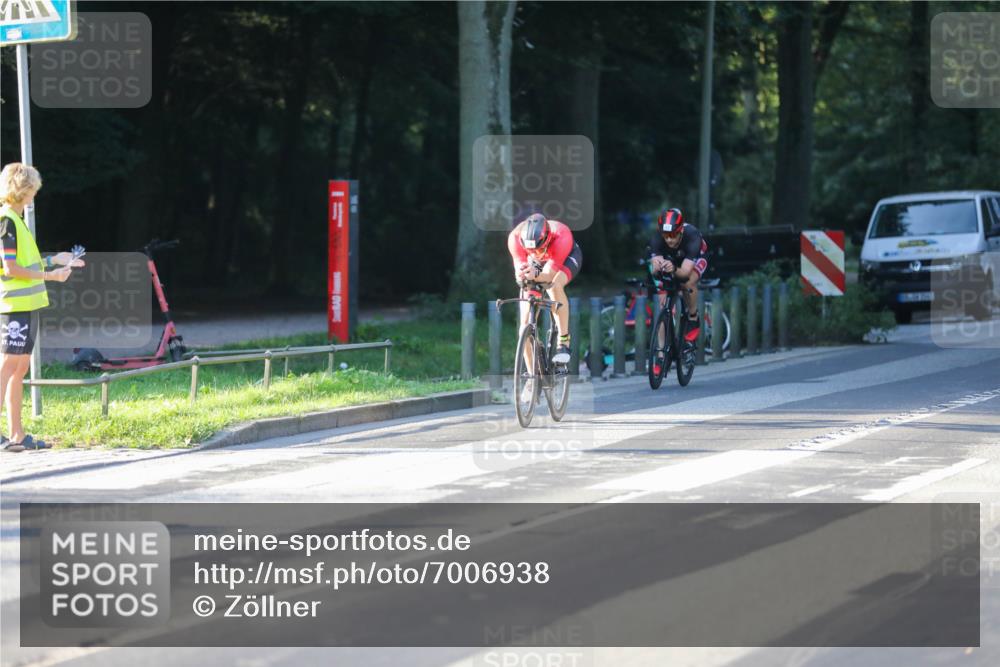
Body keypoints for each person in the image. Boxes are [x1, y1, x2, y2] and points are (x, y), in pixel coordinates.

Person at [0, 163, 82, 453]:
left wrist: (53, 261)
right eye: (32, 190)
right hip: (15, 305)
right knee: (8, 365)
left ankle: (17, 436)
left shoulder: (16, 221)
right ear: (22, 190)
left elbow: (25, 263)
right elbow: (10, 268)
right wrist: (52, 276)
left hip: (28, 305)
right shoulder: (7, 220)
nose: (35, 195)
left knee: (19, 367)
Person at [507, 213, 582, 367]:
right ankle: (531, 377)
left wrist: (537, 274)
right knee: (524, 326)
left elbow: (548, 275)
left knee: (554, 286)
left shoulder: (561, 235)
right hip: (535, 264)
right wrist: (523, 276)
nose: (536, 252)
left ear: (546, 239)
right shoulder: (514, 238)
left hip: (564, 258)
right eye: (531, 250)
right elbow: (519, 273)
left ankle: (563, 342)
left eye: (539, 248)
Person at [648, 207, 708, 360]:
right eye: (666, 236)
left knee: (686, 284)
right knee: (663, 305)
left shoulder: (692, 235)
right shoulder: (656, 238)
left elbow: (685, 273)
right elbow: (654, 270)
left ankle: (693, 317)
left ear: (680, 231)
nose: (669, 240)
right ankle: (660, 355)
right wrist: (659, 283)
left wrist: (673, 268)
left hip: (694, 259)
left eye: (673, 235)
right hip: (673, 259)